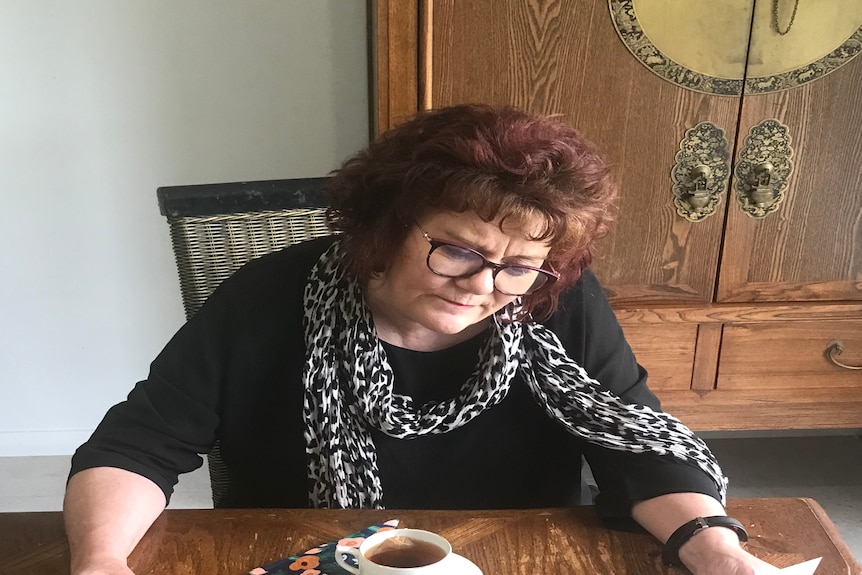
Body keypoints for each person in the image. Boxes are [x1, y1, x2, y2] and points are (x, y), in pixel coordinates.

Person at [65, 104, 779, 575]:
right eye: (459, 249)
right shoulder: (267, 297)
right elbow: (134, 447)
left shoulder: (556, 304)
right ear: (385, 222)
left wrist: (714, 547)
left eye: (520, 265)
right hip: (306, 559)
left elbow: (641, 448)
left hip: (513, 560)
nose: (484, 284)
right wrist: (99, 559)